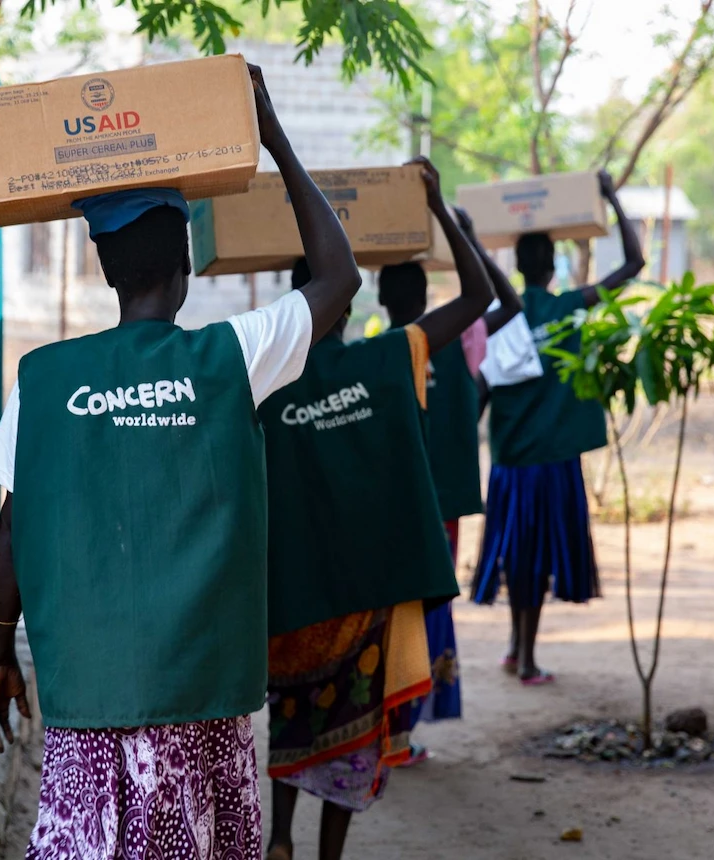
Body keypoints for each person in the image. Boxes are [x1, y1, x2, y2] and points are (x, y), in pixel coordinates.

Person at [0, 64, 362, 860]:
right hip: (201, 699)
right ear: (186, 264)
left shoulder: (42, 381)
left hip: (88, 701)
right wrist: (271, 132)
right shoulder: (234, 356)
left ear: (106, 270)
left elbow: (13, 533)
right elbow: (338, 279)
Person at [260, 156, 494, 860]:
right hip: (365, 601)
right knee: (353, 738)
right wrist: (440, 207)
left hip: (292, 599)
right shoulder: (390, 359)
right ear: (347, 304)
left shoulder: (261, 382)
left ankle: (278, 839)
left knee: (290, 723)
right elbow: (478, 295)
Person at [471, 170, 645, 685]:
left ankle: (513, 650)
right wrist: (611, 195)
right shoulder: (569, 308)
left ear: (520, 269)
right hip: (552, 462)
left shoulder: (500, 319)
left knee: (518, 558)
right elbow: (634, 263)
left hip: (510, 462)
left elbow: (479, 391)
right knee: (537, 560)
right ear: (553, 267)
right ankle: (525, 660)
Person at [378, 209, 523, 761]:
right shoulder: (459, 340)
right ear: (426, 296)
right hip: (439, 511)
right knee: (427, 614)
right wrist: (468, 237)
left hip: (395, 511)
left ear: (380, 296)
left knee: (392, 615)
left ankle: (390, 731)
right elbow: (508, 305)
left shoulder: (380, 353)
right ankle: (402, 732)